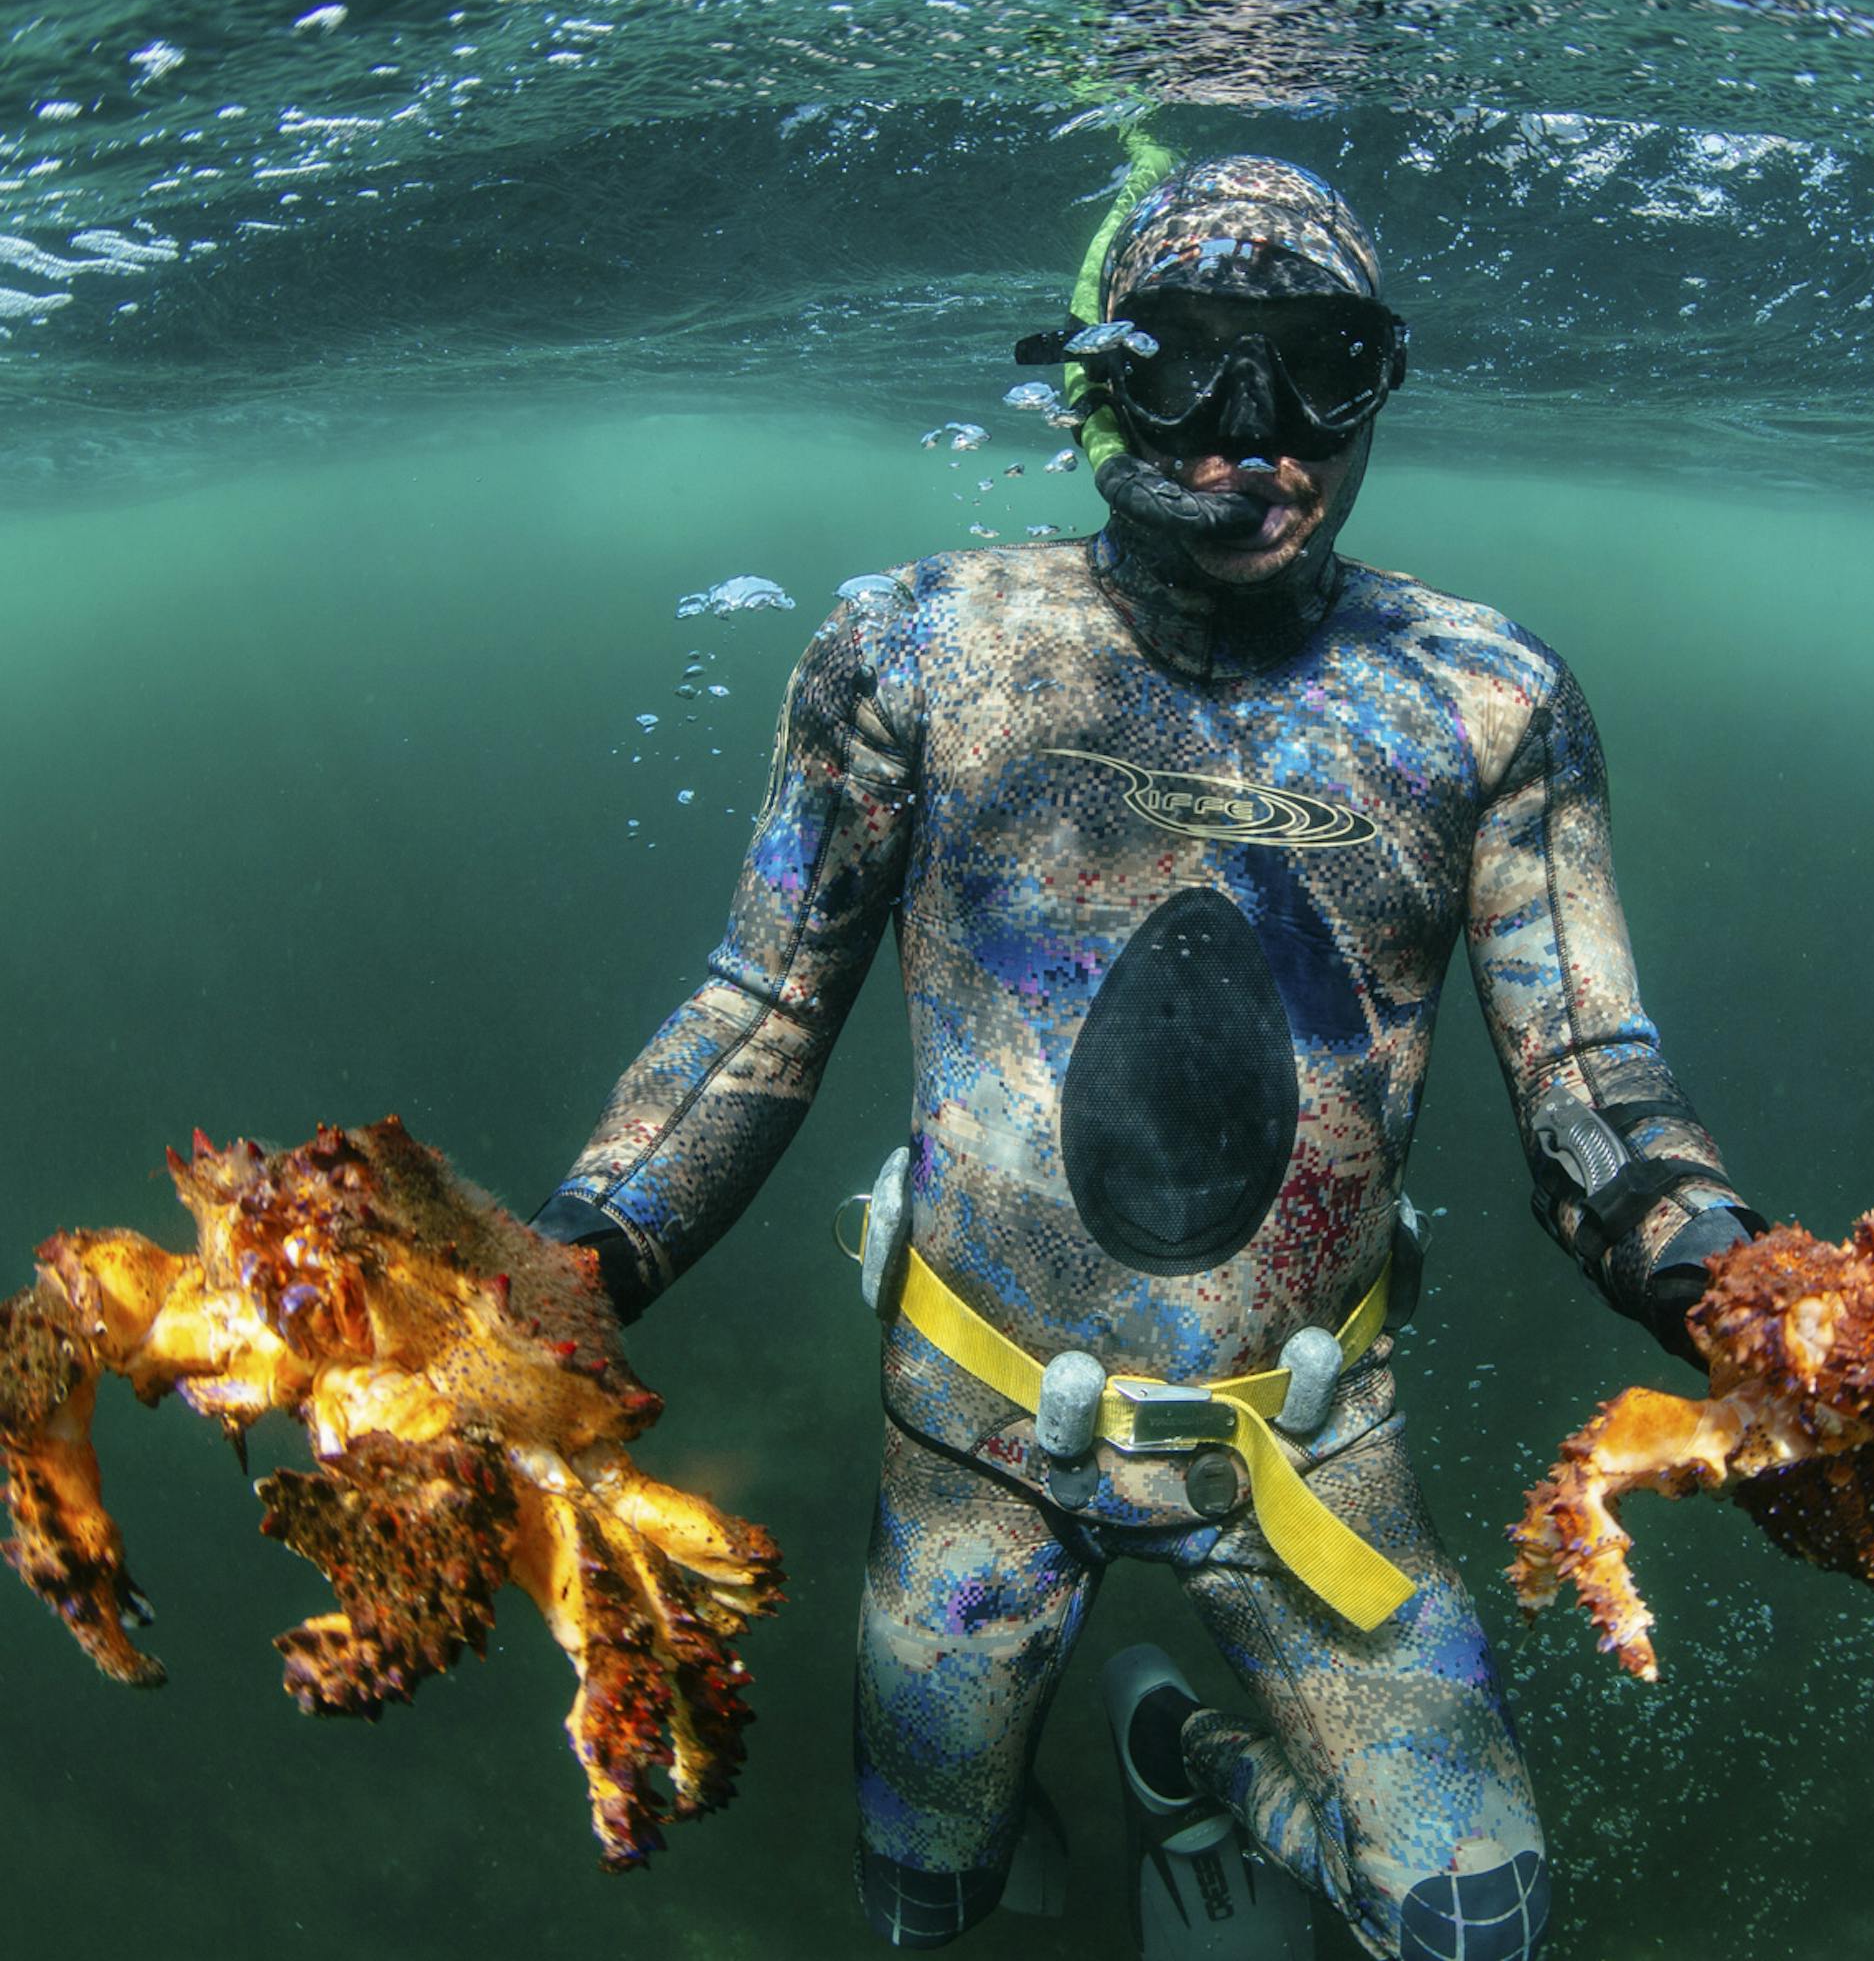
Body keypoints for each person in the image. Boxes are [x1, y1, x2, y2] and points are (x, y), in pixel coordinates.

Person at [532, 153, 1761, 1961]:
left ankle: (1191, 1760)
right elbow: (762, 1009)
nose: (1251, 434)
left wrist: (1755, 1296)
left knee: (1475, 1929)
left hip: (1312, 1450)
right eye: (1186, 360)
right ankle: (1094, 1795)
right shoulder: (920, 650)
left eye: (1317, 367)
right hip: (974, 1442)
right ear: (1095, 371)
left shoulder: (1489, 702)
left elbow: (1592, 1083)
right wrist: (559, 1276)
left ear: (1381, 377)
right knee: (925, 1903)